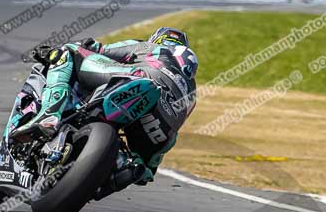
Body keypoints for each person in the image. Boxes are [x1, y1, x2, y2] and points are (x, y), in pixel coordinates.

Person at [10, 27, 198, 194]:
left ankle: (49, 115)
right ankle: (124, 168)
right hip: (163, 126)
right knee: (144, 167)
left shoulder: (151, 48)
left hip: (137, 80)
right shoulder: (192, 91)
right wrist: (148, 167)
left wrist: (71, 47)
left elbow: (98, 49)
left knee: (68, 52)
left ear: (156, 39)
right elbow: (172, 134)